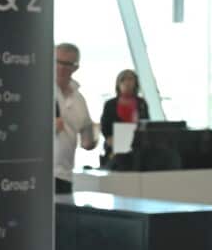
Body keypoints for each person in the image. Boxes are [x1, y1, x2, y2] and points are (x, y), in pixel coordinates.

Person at [54, 42, 97, 194]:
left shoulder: (79, 99)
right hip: (41, 173)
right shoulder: (40, 90)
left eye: (67, 64)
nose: (61, 67)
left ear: (75, 67)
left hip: (65, 175)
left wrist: (91, 139)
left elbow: (87, 139)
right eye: (57, 62)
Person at [99, 68, 149, 157]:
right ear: (118, 84)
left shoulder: (141, 103)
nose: (127, 82)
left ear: (135, 83)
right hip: (115, 145)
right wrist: (110, 139)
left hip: (138, 145)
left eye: (130, 79)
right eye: (123, 80)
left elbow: (146, 123)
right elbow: (105, 126)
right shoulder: (110, 104)